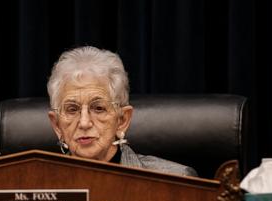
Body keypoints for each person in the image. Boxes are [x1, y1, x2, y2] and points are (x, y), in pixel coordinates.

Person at [47, 46, 197, 177]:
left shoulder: (176, 181)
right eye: (72, 110)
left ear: (122, 120)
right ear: (57, 125)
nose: (84, 123)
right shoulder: (35, 184)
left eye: (99, 108)